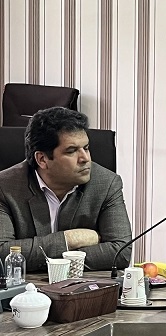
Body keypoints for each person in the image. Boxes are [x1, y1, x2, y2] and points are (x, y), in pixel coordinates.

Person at [0, 107, 132, 273]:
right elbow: (2, 254)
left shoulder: (106, 183)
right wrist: (70, 239)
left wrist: (42, 257)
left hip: (82, 287)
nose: (85, 158)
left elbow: (121, 252)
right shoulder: (5, 187)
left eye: (86, 148)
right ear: (42, 159)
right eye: (72, 151)